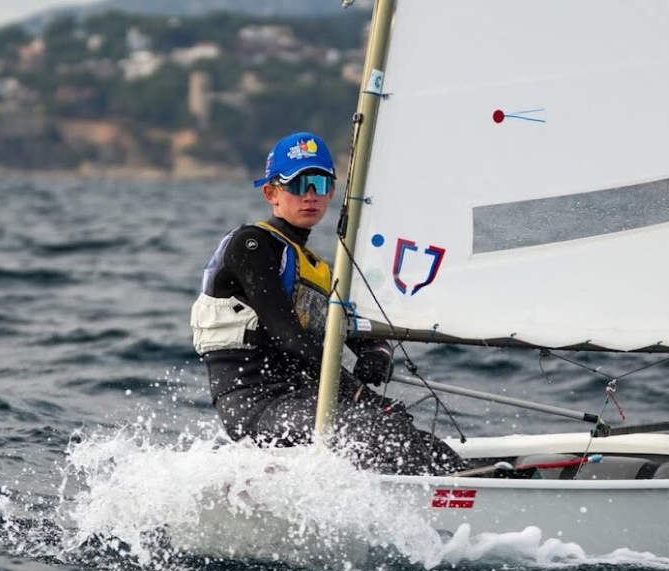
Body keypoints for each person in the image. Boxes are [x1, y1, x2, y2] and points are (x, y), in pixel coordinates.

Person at [190, 131, 465, 476]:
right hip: (256, 405)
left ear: (332, 192)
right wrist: (358, 394)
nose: (310, 195)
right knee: (380, 430)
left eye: (319, 184)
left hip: (304, 397)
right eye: (297, 185)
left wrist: (377, 354)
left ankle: (477, 482)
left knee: (413, 436)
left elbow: (363, 333)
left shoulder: (321, 271)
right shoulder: (252, 246)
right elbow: (288, 337)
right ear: (271, 193)